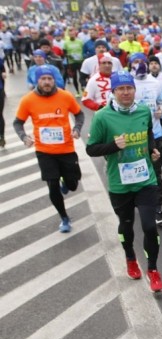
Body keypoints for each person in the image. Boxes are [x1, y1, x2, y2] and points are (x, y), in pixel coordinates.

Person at [85, 72, 162, 293]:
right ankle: (130, 258)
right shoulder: (102, 117)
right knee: (126, 225)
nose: (126, 92)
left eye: (129, 88)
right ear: (113, 91)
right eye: (121, 89)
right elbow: (91, 148)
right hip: (120, 184)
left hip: (145, 179)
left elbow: (147, 133)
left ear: (134, 90)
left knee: (149, 226)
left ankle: (153, 269)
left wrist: (152, 150)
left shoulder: (143, 110)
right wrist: (113, 146)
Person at [13, 65, 85, 234]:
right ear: (37, 80)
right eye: (43, 79)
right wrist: (23, 137)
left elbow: (79, 114)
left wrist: (77, 128)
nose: (46, 82)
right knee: (52, 185)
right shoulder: (28, 100)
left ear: (54, 80)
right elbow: (17, 122)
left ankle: (65, 182)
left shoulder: (65, 96)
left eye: (49, 79)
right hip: (44, 151)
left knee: (73, 184)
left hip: (66, 149)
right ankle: (64, 218)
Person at [133, 59, 162, 226]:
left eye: (141, 62)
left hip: (155, 134)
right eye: (135, 62)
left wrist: (161, 110)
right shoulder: (127, 84)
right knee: (138, 172)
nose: (139, 65)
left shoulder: (155, 83)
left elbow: (161, 101)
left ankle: (157, 209)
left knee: (156, 174)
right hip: (134, 137)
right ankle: (138, 201)